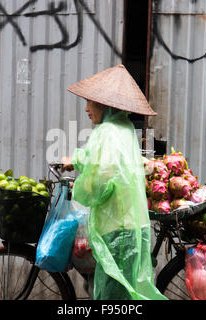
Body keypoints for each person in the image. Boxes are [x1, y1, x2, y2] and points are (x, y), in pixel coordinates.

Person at [61, 64, 167, 300]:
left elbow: (100, 180)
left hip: (117, 230)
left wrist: (78, 188)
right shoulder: (124, 127)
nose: (86, 109)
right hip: (131, 226)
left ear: (105, 104)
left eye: (90, 102)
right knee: (126, 293)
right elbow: (108, 161)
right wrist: (77, 160)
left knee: (114, 298)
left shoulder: (106, 132)